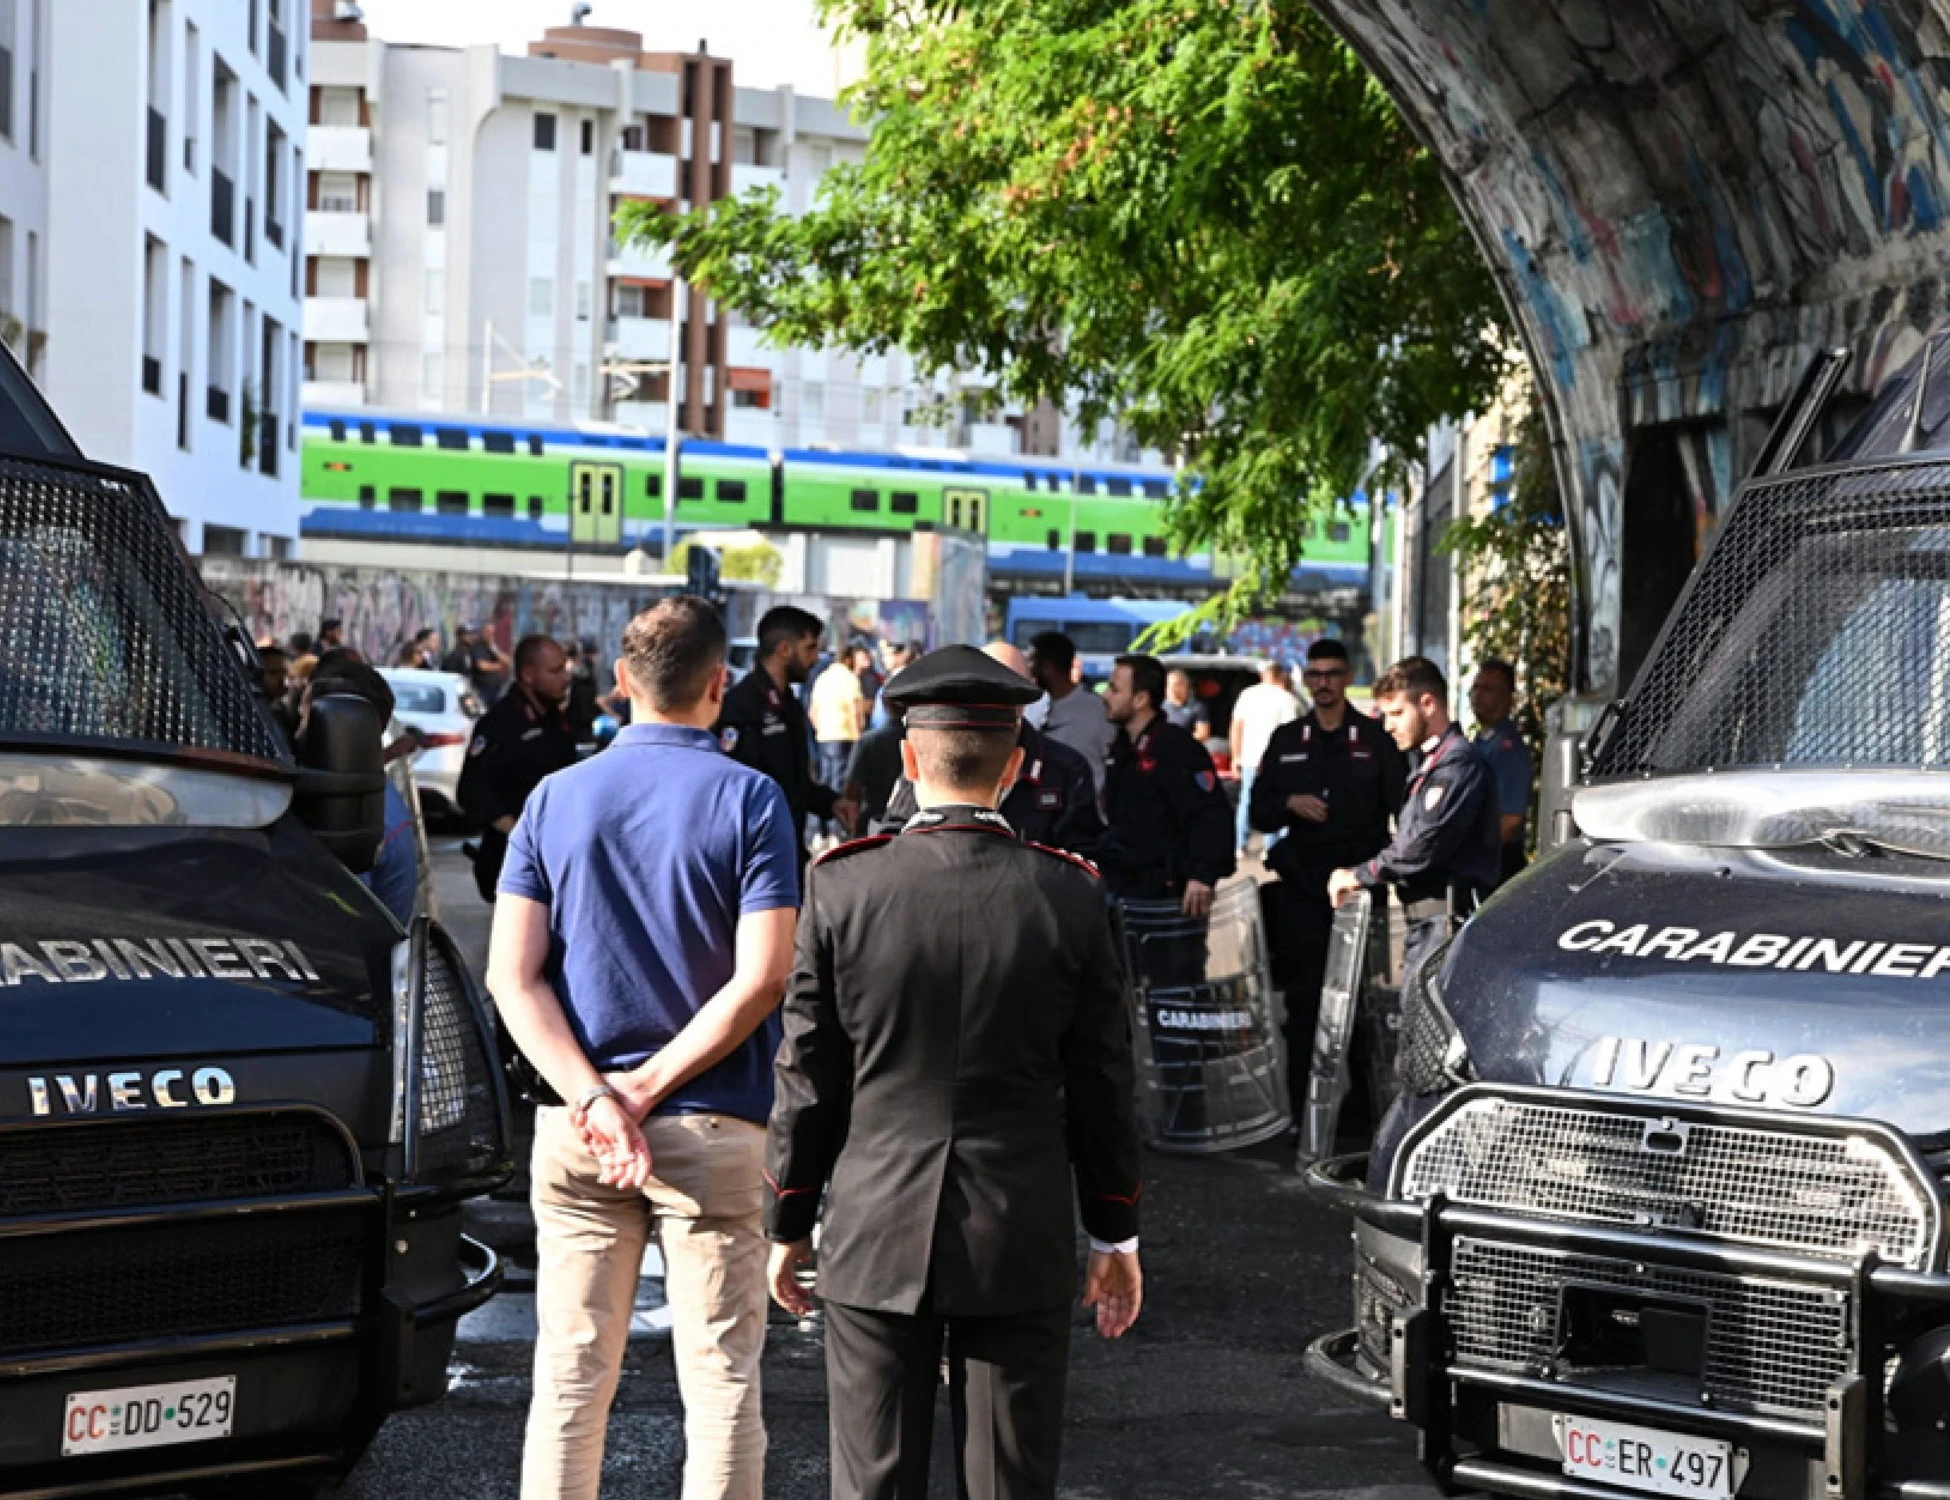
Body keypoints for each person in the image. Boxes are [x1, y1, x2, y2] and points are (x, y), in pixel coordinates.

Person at [764, 645, 1144, 1500]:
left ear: (907, 758)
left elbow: (808, 1075)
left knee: (873, 1484)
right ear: (1015, 767)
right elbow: (1105, 1085)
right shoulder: (1071, 894)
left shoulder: (843, 887)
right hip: (1019, 1227)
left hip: (873, 1223)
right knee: (1009, 1484)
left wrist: (787, 1217)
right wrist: (1113, 1232)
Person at [489, 597, 800, 1500]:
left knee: (569, 1381)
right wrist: (648, 1088)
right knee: (722, 1382)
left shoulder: (555, 797)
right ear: (719, 686)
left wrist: (599, 1099)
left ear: (621, 682)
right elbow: (762, 979)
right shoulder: (751, 797)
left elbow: (514, 978)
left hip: (579, 1128)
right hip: (714, 1125)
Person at [1249, 638, 1406, 1113]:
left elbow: (1404, 813)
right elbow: (1258, 810)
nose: (1323, 683)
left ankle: (1360, 1116)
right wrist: (1289, 803)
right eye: (1315, 674)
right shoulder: (1287, 740)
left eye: (1333, 674)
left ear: (1347, 676)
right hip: (1301, 889)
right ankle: (1301, 1108)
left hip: (1357, 891)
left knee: (1360, 1004)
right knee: (1303, 1003)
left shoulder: (1375, 742)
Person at [1329, 655, 1502, 984]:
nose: (1387, 725)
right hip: (1428, 927)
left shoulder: (1457, 766)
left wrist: (1360, 875)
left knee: (1425, 1032)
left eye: (1396, 713)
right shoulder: (1430, 763)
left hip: (1444, 926)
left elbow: (1418, 849)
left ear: (1427, 704)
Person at [879, 642, 1107, 859]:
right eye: (983, 684)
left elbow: (1084, 856)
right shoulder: (932, 755)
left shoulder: (1065, 767)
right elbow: (894, 834)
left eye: (1006, 685)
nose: (993, 696)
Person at [716, 605, 855, 865]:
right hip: (755, 856)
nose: (815, 658)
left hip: (788, 850)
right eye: (810, 648)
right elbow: (737, 788)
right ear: (784, 649)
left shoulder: (788, 705)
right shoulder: (741, 705)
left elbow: (795, 782)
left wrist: (832, 803)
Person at [1101, 653, 1235, 917]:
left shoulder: (1176, 748)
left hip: (1168, 895)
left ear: (1140, 699)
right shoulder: (1122, 747)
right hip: (1127, 887)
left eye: (1115, 689)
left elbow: (1210, 813)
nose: (1105, 696)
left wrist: (1201, 875)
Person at [457, 634, 579, 902]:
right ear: (528, 674)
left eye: (565, 669)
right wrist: (519, 834)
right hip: (514, 863)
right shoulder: (501, 723)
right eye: (556, 671)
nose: (566, 678)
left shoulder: (555, 719)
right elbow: (472, 790)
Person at [304, 651, 420, 927]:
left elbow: (331, 919)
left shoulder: (353, 813)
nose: (297, 729)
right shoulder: (362, 792)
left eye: (306, 719)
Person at [1469, 657, 1534, 884]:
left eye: (1487, 689)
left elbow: (1510, 820)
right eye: (1475, 687)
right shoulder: (1482, 742)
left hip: (1497, 864)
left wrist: (1474, 857)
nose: (1477, 695)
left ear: (1507, 697)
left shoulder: (1508, 750)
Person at [1228, 660, 1301, 857]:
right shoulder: (1286, 699)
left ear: (1264, 676)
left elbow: (1236, 726)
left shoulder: (1247, 695)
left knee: (1246, 800)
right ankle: (1270, 847)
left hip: (1250, 756)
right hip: (1275, 759)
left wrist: (1236, 755)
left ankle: (1238, 845)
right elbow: (1291, 733)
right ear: (1279, 676)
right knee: (1277, 801)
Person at [1026, 631, 1112, 797]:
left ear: (1048, 667)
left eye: (1032, 660)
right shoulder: (1034, 707)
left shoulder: (1097, 710)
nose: (1029, 669)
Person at [809, 643, 869, 834]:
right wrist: (858, 734)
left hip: (824, 736)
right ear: (849, 659)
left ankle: (821, 831)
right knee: (839, 784)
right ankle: (839, 831)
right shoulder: (849, 678)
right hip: (844, 735)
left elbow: (813, 712)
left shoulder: (822, 678)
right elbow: (855, 708)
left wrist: (820, 729)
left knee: (824, 782)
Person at [446, 622, 512, 704]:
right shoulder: (476, 647)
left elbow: (508, 662)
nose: (490, 635)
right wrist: (500, 666)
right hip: (481, 690)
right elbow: (482, 666)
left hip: (495, 690)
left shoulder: (493, 647)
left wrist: (494, 649)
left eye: (492, 633)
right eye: (488, 632)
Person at [561, 636, 601, 744]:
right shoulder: (589, 676)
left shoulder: (567, 678)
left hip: (569, 735)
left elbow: (563, 705)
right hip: (587, 732)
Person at [1161, 668, 1212, 742]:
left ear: (1186, 686)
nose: (1172, 689)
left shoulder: (1198, 707)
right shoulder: (1159, 706)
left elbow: (1203, 734)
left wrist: (1178, 739)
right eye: (1168, 685)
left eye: (1177, 685)